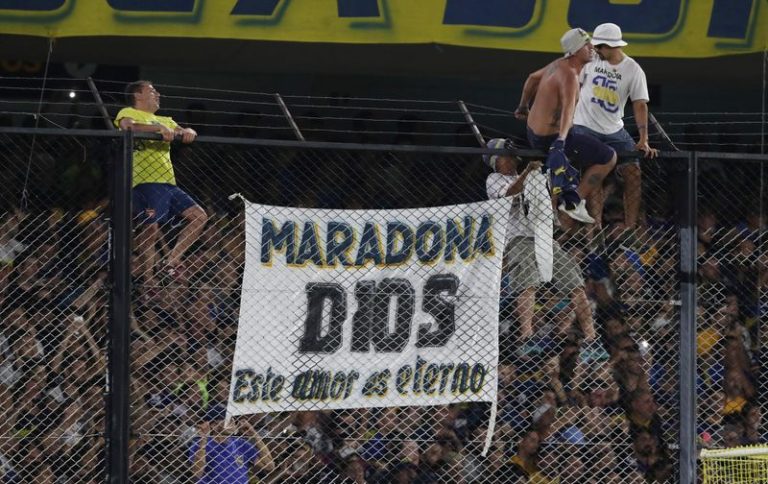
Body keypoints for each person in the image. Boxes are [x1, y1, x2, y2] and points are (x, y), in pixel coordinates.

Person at [485, 138, 595, 345]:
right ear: (496, 160)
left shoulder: (531, 176)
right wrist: (527, 173)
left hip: (543, 235)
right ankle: (527, 332)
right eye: (506, 156)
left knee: (574, 282)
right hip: (518, 238)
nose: (512, 158)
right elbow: (507, 196)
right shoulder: (494, 179)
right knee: (527, 282)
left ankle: (590, 333)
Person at [516, 28, 617, 225]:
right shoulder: (570, 76)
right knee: (609, 157)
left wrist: (522, 106)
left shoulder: (556, 64)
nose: (591, 48)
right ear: (575, 51)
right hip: (550, 138)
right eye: (586, 45)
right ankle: (572, 201)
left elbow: (532, 78)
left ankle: (556, 200)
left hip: (533, 132)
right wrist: (561, 141)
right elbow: (568, 111)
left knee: (582, 139)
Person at [115, 80, 207, 286]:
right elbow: (127, 126)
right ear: (138, 95)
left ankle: (172, 260)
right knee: (151, 227)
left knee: (199, 216)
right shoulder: (128, 112)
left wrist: (189, 131)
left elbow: (183, 131)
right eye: (152, 91)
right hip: (145, 181)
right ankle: (147, 278)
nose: (158, 94)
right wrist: (156, 129)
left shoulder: (166, 119)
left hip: (167, 181)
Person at [572, 23, 658, 229]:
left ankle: (630, 227)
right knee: (597, 167)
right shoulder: (589, 61)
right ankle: (596, 225)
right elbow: (574, 87)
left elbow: (640, 104)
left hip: (614, 130)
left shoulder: (633, 69)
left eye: (600, 46)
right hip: (585, 125)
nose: (596, 50)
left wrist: (643, 140)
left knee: (633, 172)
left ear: (611, 46)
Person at [189, 405, 274, 484]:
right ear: (214, 425)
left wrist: (254, 434)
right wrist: (204, 438)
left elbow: (269, 466)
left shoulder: (240, 443)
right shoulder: (201, 444)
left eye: (233, 419)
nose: (233, 422)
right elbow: (197, 475)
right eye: (228, 420)